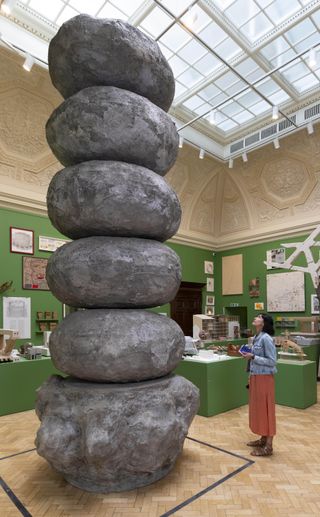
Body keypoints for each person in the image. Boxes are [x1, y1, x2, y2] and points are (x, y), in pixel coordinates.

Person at [242, 313, 277, 457]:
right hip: (256, 376)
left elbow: (272, 361)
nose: (255, 318)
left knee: (266, 410)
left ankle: (268, 446)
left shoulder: (266, 339)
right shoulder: (257, 337)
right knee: (259, 410)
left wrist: (254, 357)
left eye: (258, 317)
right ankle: (263, 439)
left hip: (264, 378)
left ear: (263, 323)